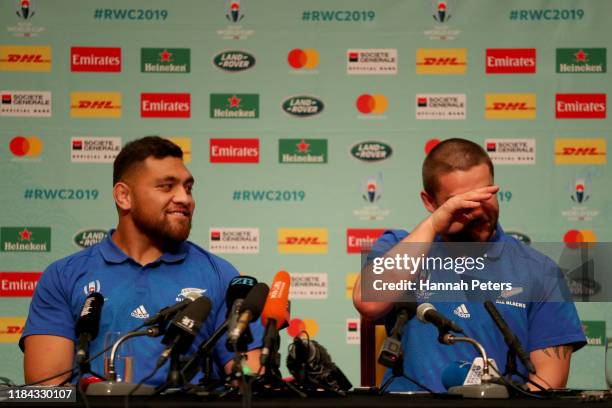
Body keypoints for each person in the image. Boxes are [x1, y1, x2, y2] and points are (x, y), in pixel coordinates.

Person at [20, 136, 263, 386]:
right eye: (167, 187)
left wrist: (251, 373)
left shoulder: (220, 274)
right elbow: (45, 389)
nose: (185, 199)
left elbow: (246, 379)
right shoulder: (63, 275)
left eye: (188, 188)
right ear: (124, 196)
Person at [353, 138, 586, 392]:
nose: (475, 210)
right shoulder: (399, 247)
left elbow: (547, 382)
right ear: (430, 203)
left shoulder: (539, 271)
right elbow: (369, 303)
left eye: (484, 195)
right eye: (461, 201)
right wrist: (433, 224)